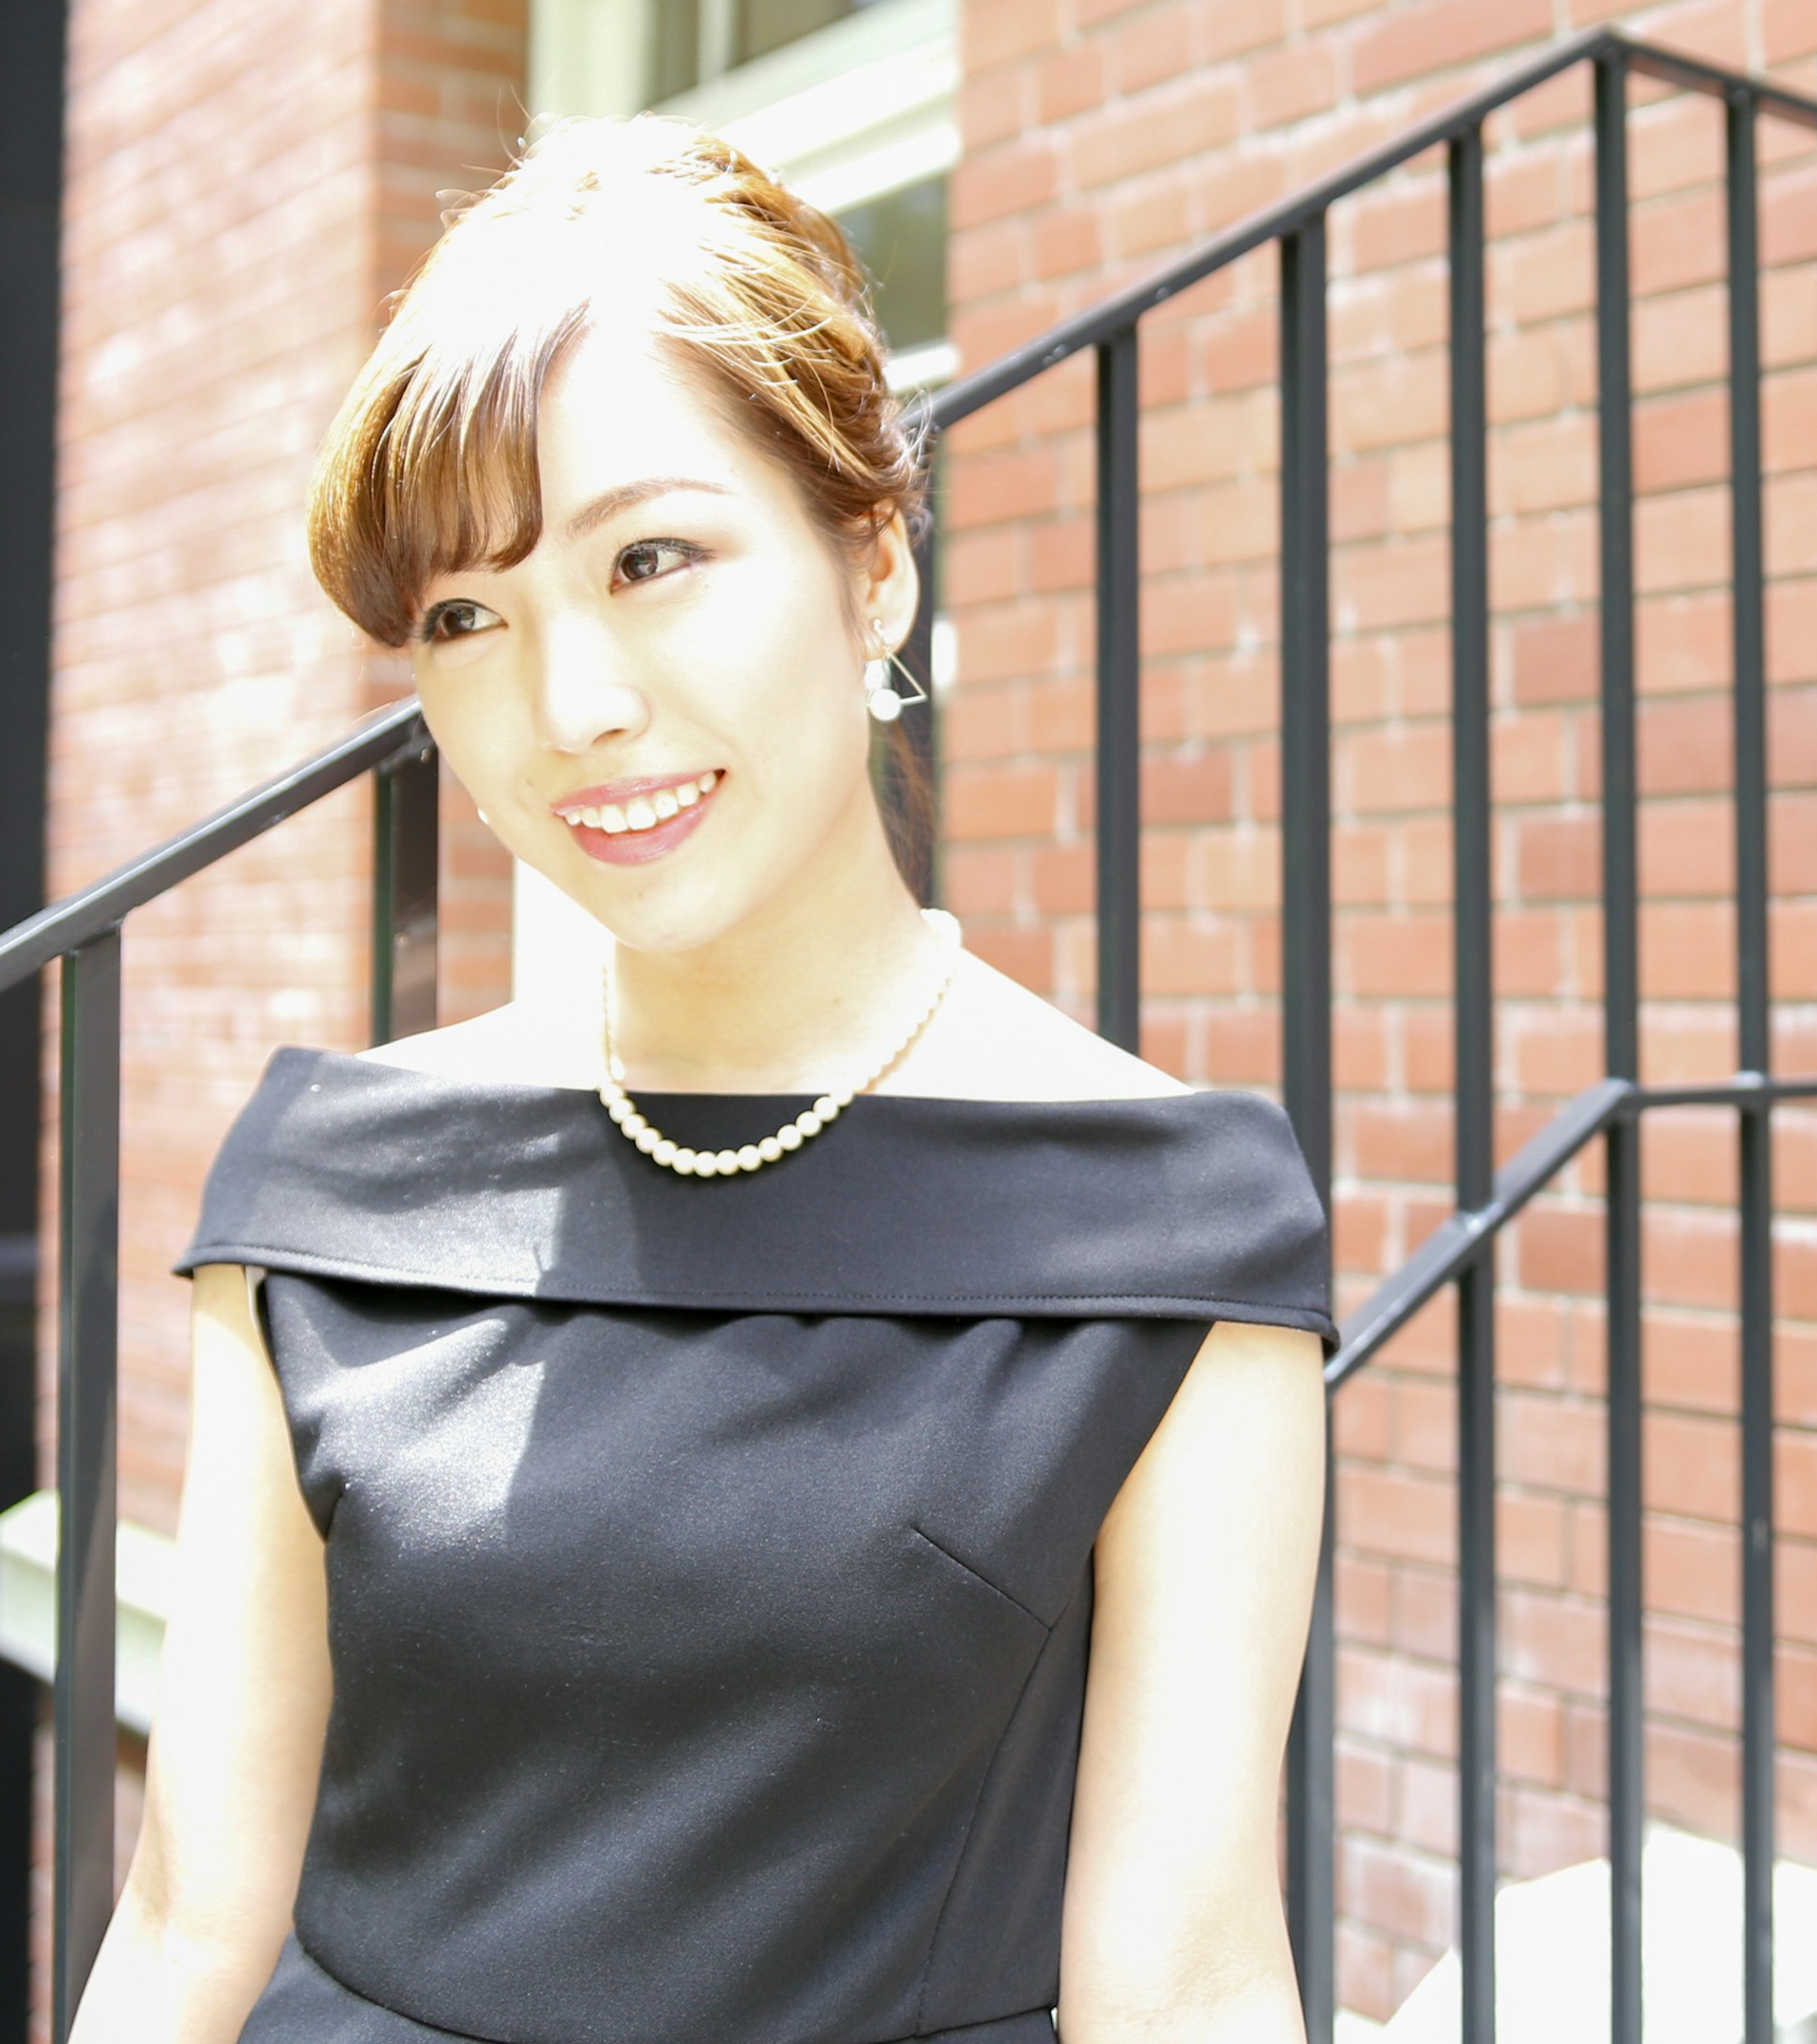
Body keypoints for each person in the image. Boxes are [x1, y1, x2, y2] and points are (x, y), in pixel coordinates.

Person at [70, 118, 1334, 2044]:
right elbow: (180, 1924)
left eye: (651, 558)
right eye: (466, 619)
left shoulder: (1164, 1229)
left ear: (874, 566)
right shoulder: (329, 1188)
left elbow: (1188, 1978)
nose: (570, 704)